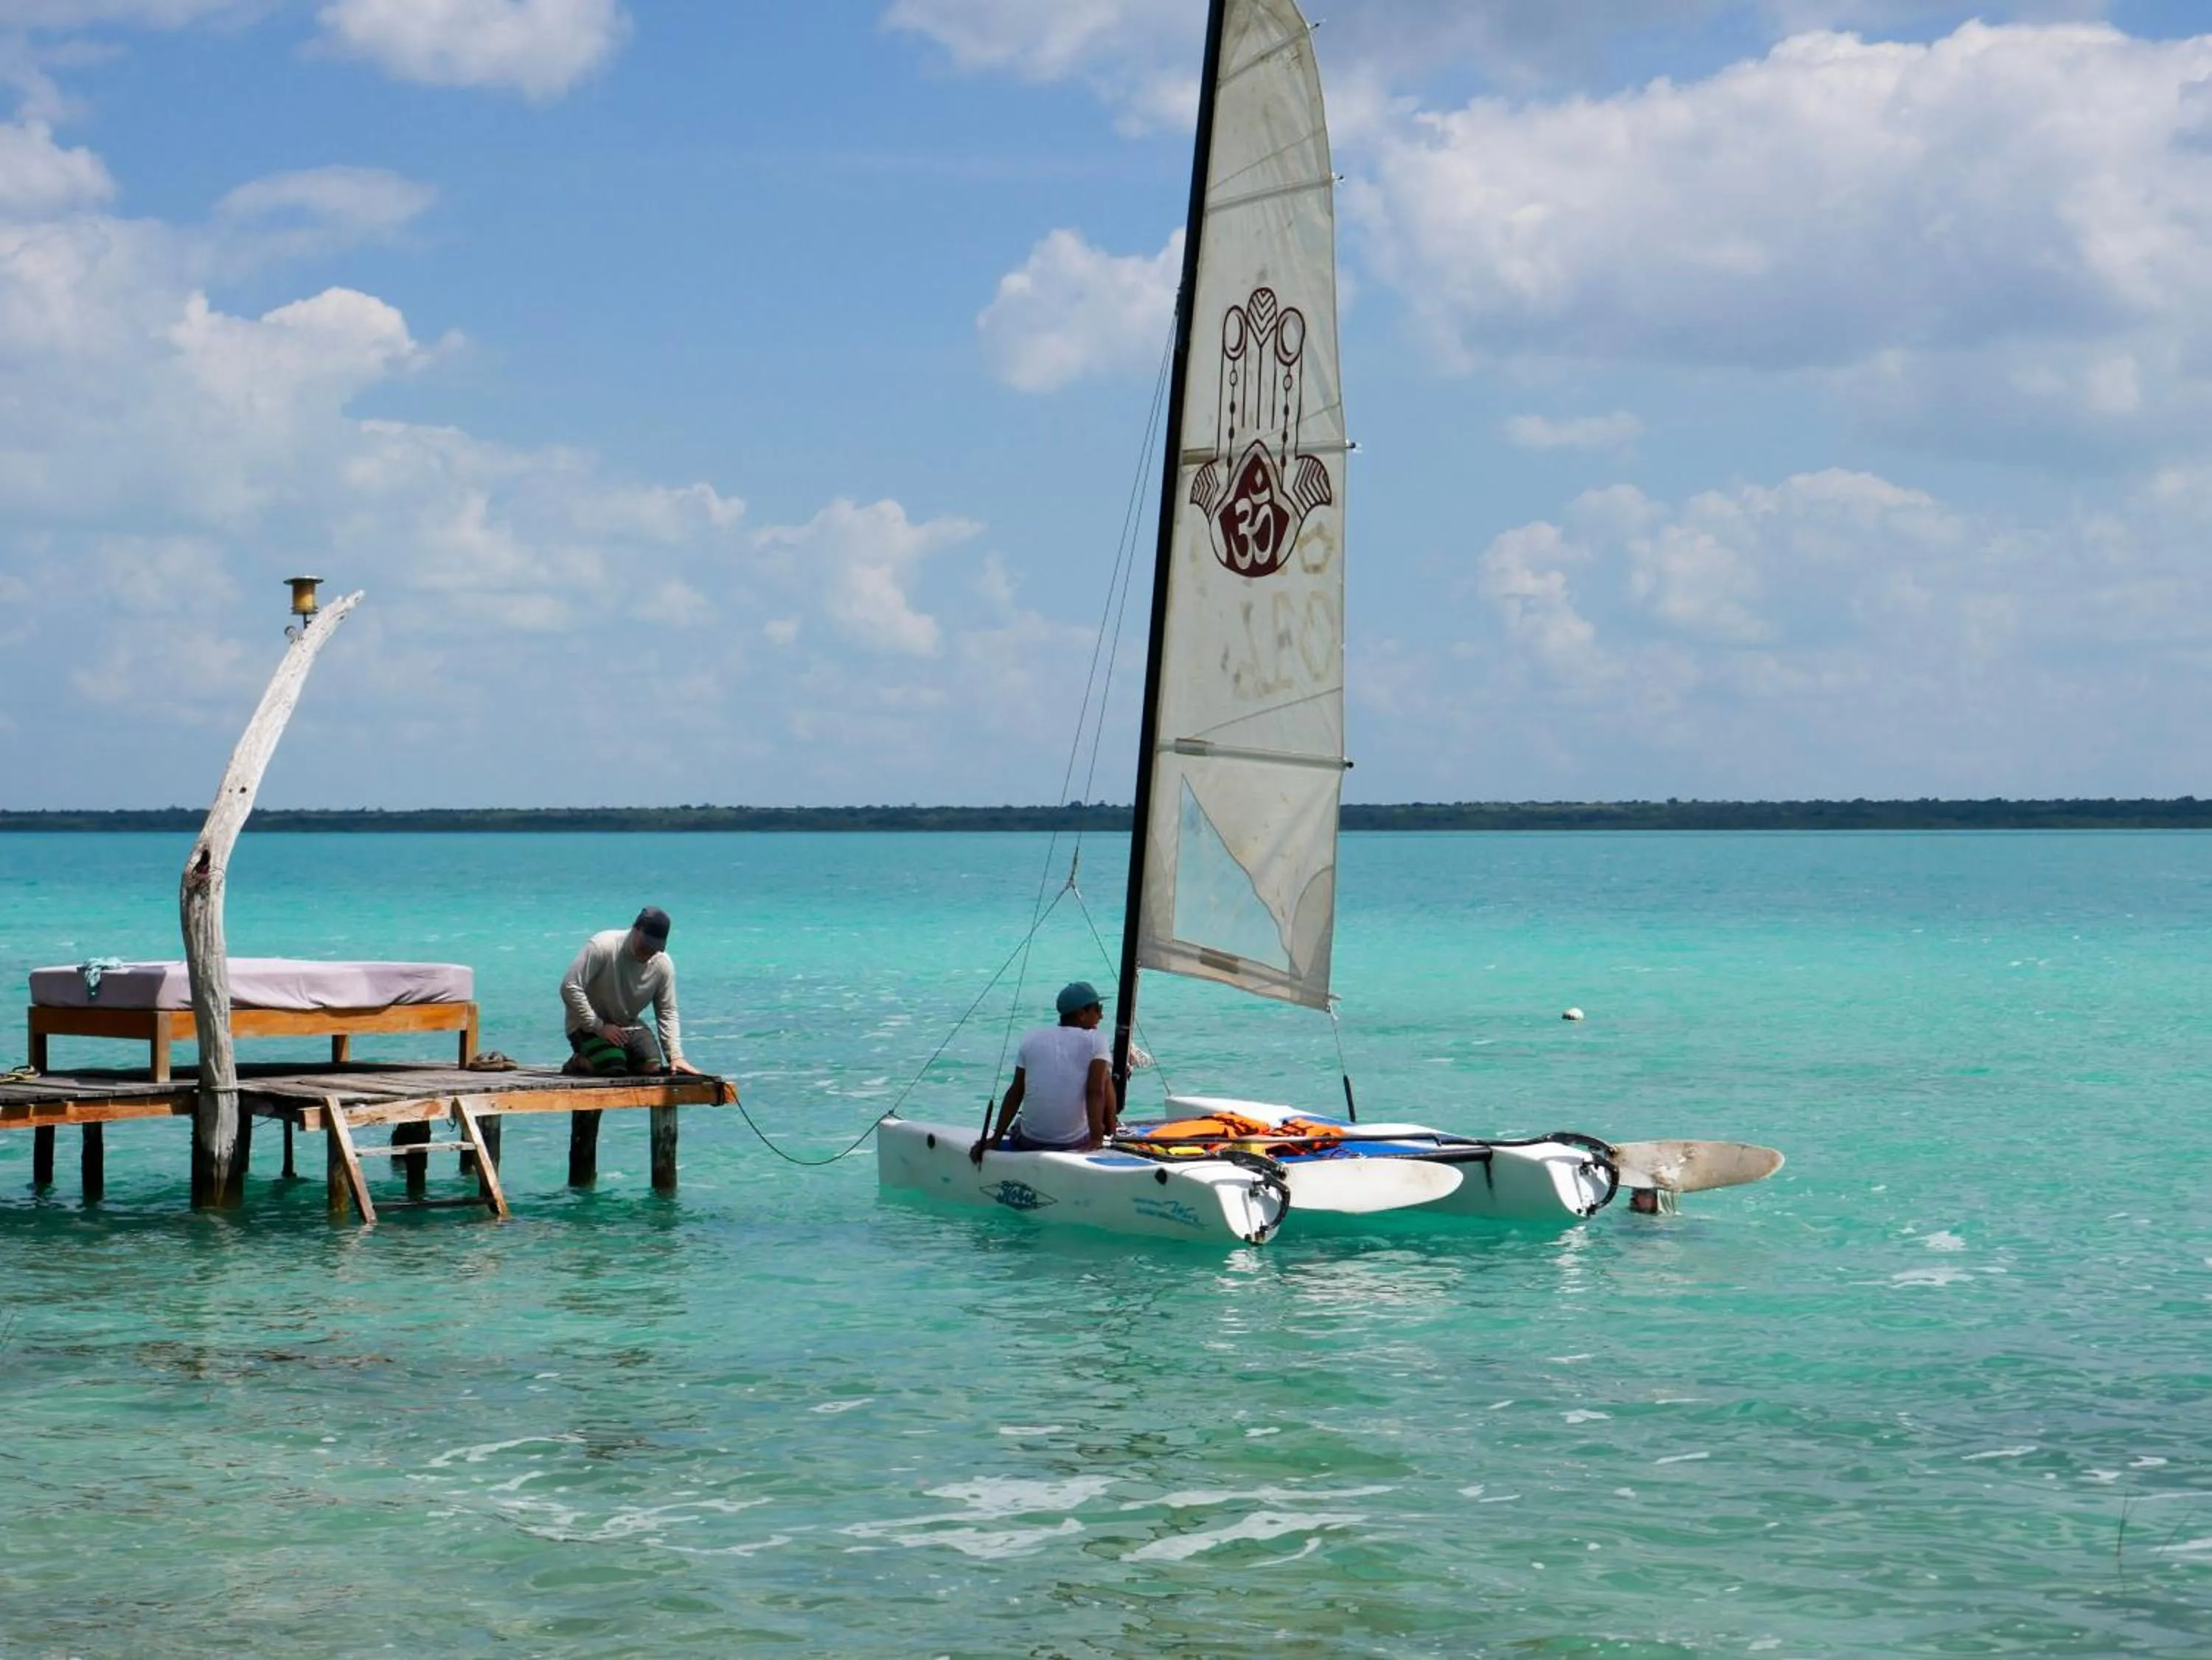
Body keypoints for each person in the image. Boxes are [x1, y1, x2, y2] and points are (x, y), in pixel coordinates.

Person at [970, 981, 1115, 1161]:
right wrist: (1096, 1139)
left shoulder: (1032, 1038)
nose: (1101, 1016)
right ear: (1082, 1014)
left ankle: (1104, 1130)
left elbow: (1016, 1092)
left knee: (1020, 1121)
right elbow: (1095, 1091)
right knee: (1104, 1075)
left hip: (1028, 1141)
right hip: (1073, 1143)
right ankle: (1110, 1132)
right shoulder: (1096, 1040)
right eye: (1098, 1009)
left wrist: (996, 1139)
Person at [560, 906, 700, 1076]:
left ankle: (622, 1057)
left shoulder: (662, 965)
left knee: (653, 1068)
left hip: (627, 1025)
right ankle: (579, 1061)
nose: (649, 951)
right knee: (613, 1068)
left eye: (655, 947)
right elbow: (570, 986)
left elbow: (667, 1011)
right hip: (586, 1026)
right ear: (635, 929)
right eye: (646, 944)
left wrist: (675, 1056)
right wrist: (599, 1027)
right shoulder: (603, 946)